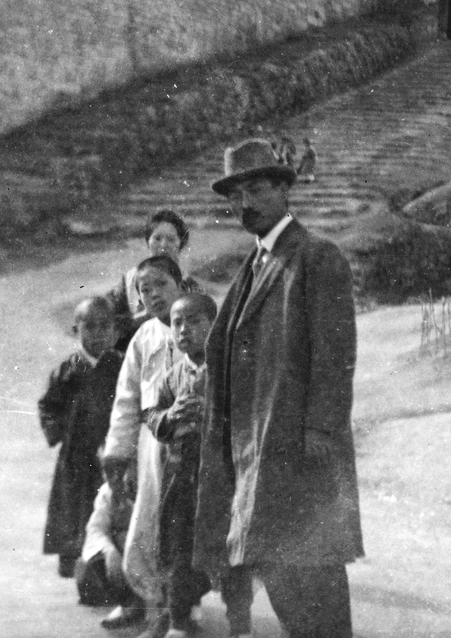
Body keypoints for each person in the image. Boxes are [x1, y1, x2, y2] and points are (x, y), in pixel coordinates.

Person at [194, 138, 363, 638]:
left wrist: (319, 436)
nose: (245, 203)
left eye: (258, 189)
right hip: (259, 454)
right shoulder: (254, 265)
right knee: (284, 582)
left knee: (313, 585)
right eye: (235, 195)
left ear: (285, 190)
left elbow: (335, 358)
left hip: (300, 456)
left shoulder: (315, 257)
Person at [143, 293, 254, 638]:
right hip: (181, 480)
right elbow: (151, 416)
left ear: (214, 325)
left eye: (194, 321)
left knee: (233, 552)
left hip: (224, 480)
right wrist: (170, 416)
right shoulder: (172, 375)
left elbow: (251, 417)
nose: (184, 330)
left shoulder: (231, 370)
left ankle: (240, 625)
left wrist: (213, 411)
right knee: (179, 550)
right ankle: (179, 620)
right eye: (177, 323)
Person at [102, 255, 183, 637]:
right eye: (144, 290)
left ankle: (186, 608)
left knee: (187, 528)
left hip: (192, 446)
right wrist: (119, 451)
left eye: (161, 285)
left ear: (179, 284)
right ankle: (159, 611)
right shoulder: (144, 337)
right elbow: (127, 398)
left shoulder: (199, 326)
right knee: (151, 527)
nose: (153, 295)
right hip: (152, 449)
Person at [40, 296, 124, 578]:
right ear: (76, 330)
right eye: (89, 327)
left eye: (104, 326)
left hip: (112, 446)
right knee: (74, 503)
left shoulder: (122, 366)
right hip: (77, 452)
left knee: (111, 503)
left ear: (115, 331)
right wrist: (62, 430)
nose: (97, 334)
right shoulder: (68, 370)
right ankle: (72, 554)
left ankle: (110, 560)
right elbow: (49, 406)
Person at [107, 209, 202, 351]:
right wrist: (141, 318)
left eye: (171, 239)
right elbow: (109, 323)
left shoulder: (191, 287)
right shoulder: (129, 282)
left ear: (181, 244)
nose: (163, 245)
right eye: (157, 238)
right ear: (148, 242)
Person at [76, 474, 146, 628]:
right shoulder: (109, 491)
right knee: (95, 559)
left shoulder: (152, 484)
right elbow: (95, 528)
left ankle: (171, 608)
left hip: (150, 549)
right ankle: (129, 603)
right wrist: (110, 552)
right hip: (128, 551)